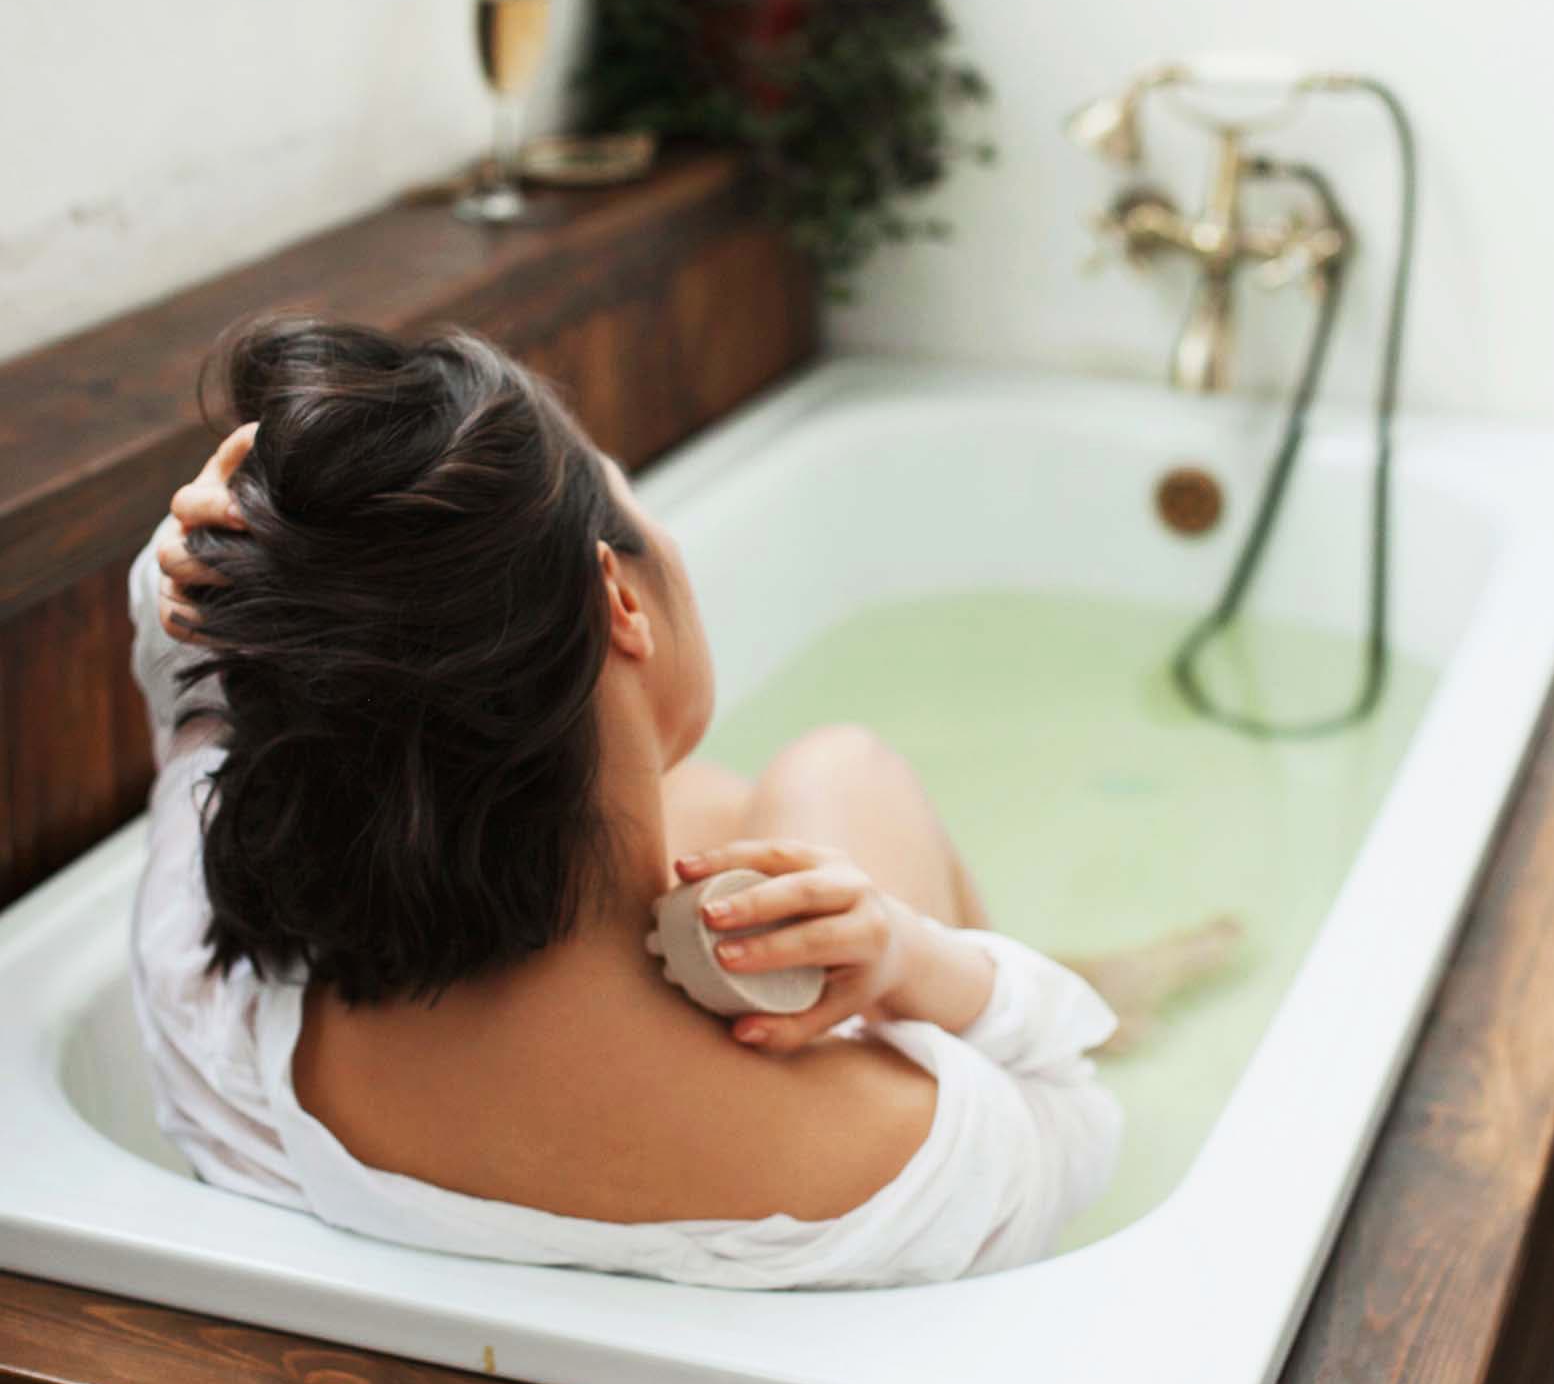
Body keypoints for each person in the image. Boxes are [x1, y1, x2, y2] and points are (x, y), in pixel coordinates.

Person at [129, 313, 1138, 1288]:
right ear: (616, 596)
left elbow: (191, 653)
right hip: (761, 1081)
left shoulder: (204, 997)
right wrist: (917, 962)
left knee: (704, 804)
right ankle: (1065, 976)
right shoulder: (899, 1169)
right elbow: (1070, 1113)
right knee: (839, 771)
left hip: (482, 1034)